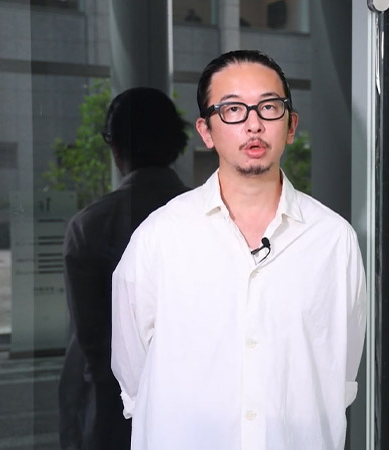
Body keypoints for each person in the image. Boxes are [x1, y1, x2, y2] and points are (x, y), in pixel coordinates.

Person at [111, 50, 367, 449]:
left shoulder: (333, 240)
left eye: (269, 107)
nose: (253, 124)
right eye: (232, 109)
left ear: (291, 125)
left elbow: (341, 371)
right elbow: (133, 371)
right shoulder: (160, 237)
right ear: (206, 131)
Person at [59, 87, 190, 449]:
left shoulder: (90, 226)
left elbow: (91, 343)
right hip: (199, 410)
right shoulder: (217, 220)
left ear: (115, 146)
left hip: (114, 416)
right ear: (176, 144)